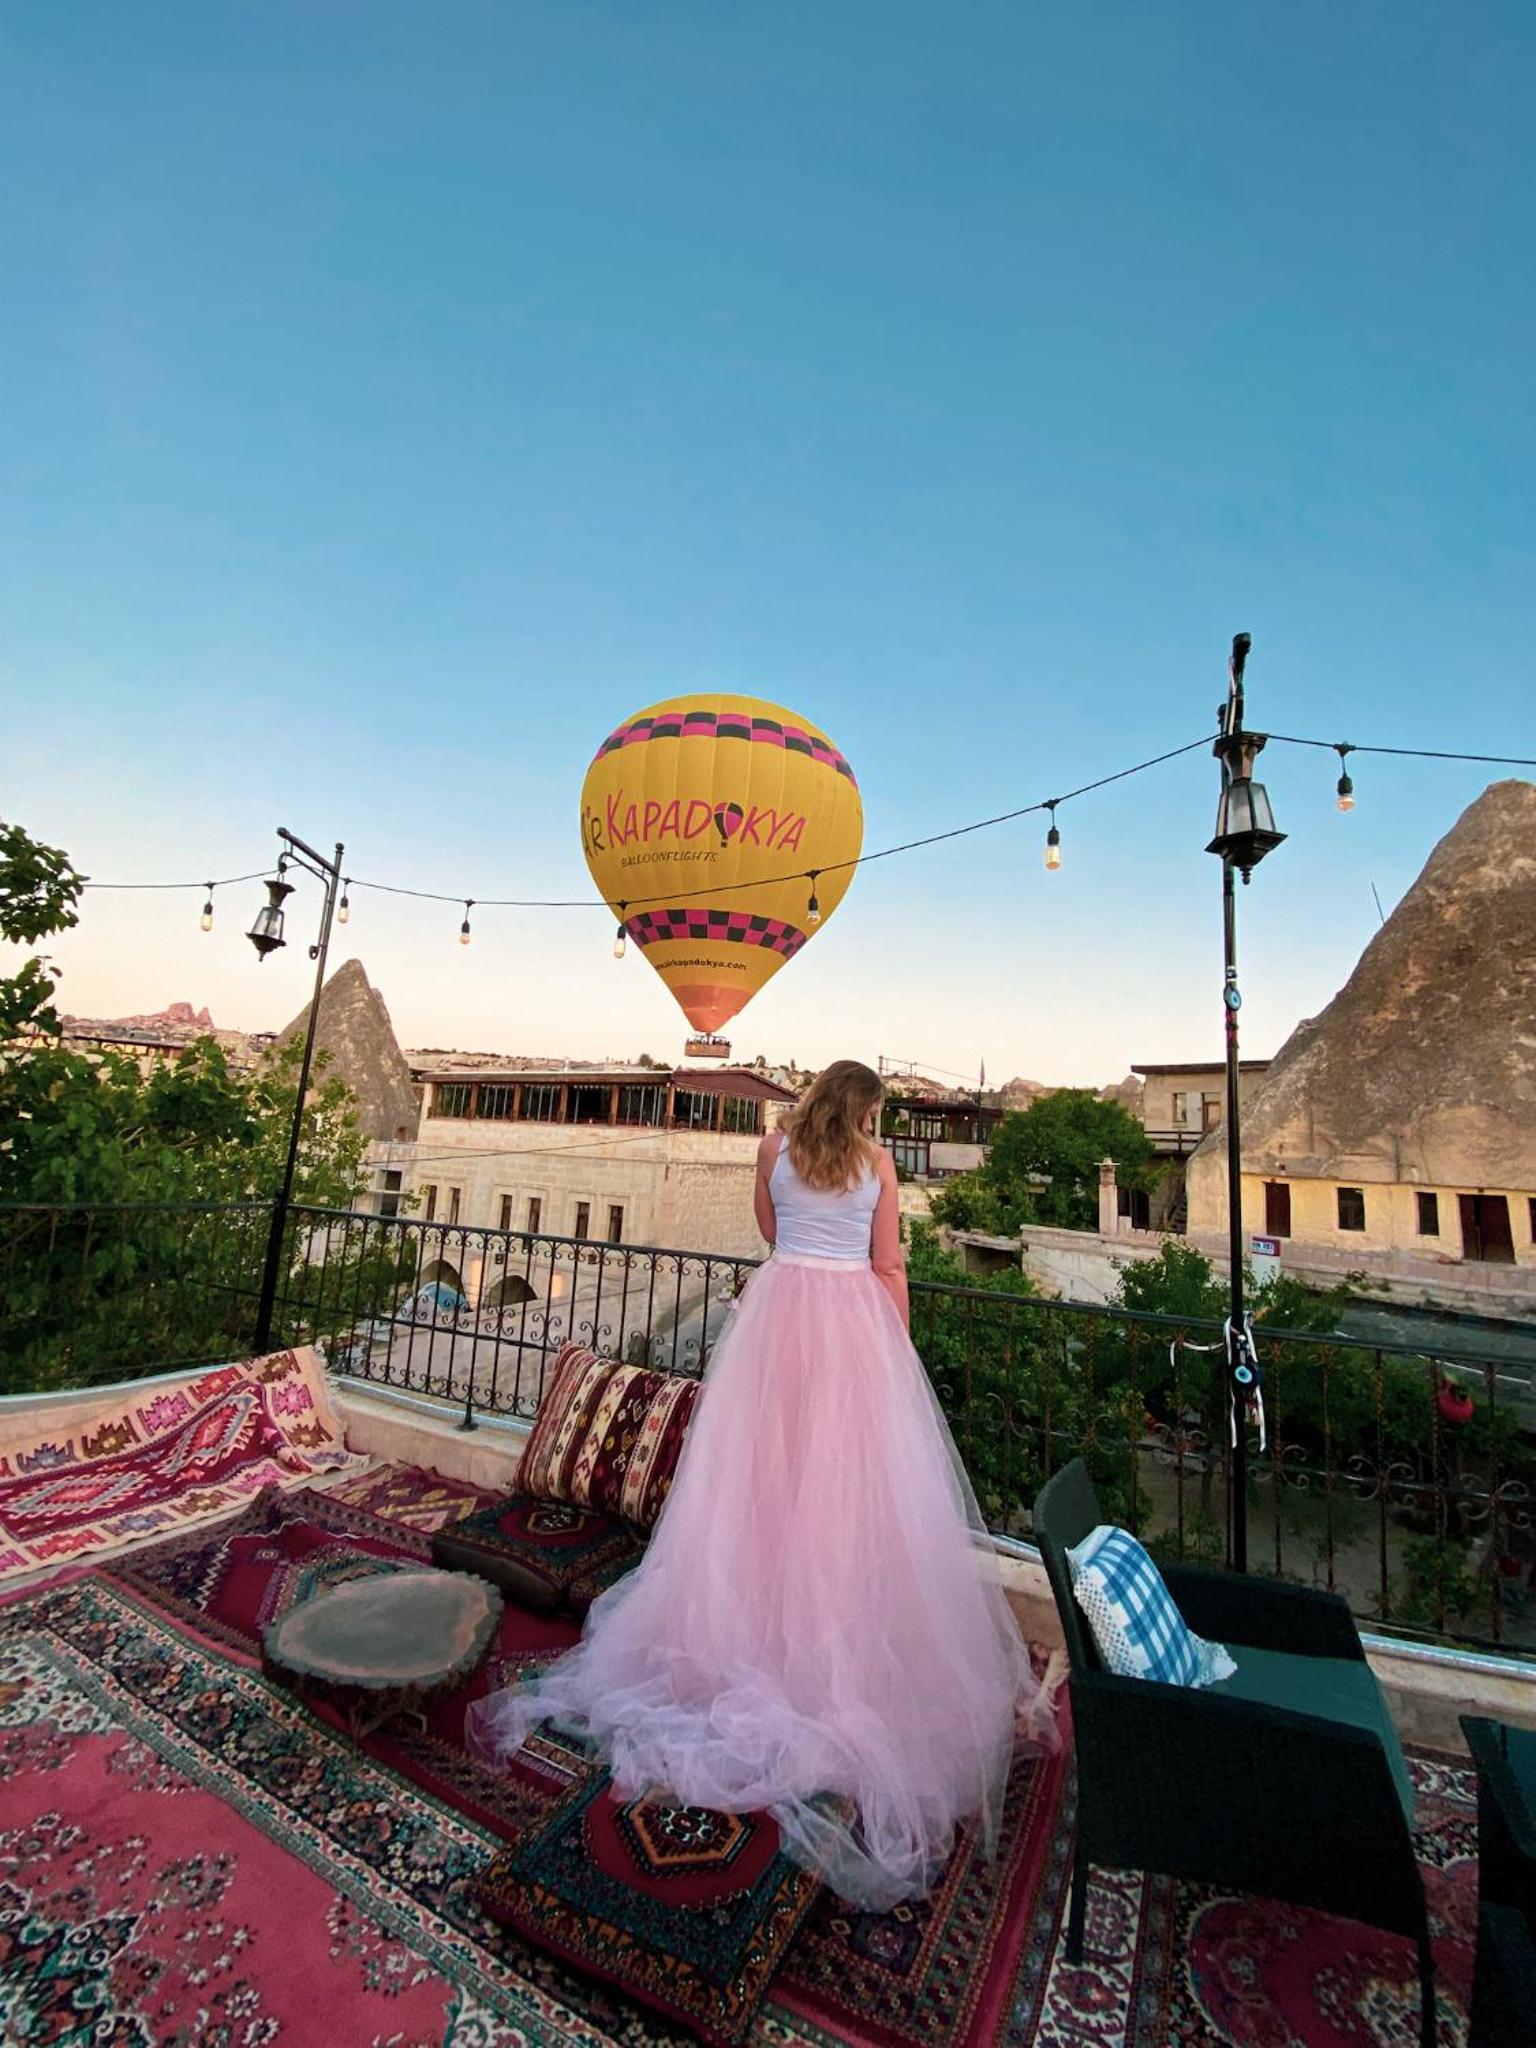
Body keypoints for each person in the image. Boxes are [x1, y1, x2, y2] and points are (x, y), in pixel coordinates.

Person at [466, 1059, 1056, 1910]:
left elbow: (773, 1237)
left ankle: (749, 1633)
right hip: (850, 1324)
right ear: (864, 1112)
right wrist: (894, 1359)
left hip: (778, 1319)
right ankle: (821, 1647)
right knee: (842, 1497)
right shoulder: (879, 1166)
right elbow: (889, 1267)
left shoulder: (771, 1150)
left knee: (759, 1487)